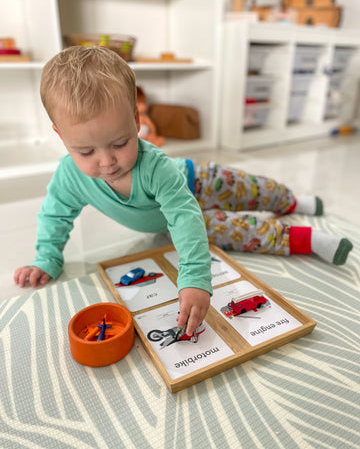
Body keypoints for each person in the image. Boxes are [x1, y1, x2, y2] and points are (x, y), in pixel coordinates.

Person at [13, 46, 353, 335]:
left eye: (120, 143)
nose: (106, 162)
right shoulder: (69, 177)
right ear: (61, 137)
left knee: (255, 190)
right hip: (171, 223)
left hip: (195, 182)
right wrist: (47, 257)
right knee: (238, 231)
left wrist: (193, 277)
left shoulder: (154, 165)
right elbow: (55, 214)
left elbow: (183, 213)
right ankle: (307, 240)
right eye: (86, 151)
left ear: (135, 120)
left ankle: (294, 201)